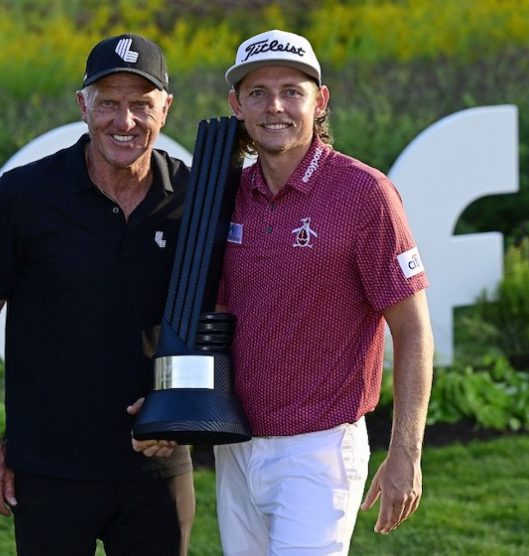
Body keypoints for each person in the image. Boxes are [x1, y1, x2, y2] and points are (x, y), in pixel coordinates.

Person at [0, 33, 194, 556]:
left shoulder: (196, 199)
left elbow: (219, 314)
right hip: (48, 468)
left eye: (141, 104)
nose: (124, 121)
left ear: (166, 109)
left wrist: (179, 405)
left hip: (157, 460)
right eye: (109, 102)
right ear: (83, 105)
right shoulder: (20, 198)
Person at [213, 29, 435, 555]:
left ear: (320, 100)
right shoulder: (227, 193)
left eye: (292, 90)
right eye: (258, 93)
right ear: (236, 105)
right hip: (234, 448)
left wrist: (406, 451)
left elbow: (413, 327)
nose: (275, 107)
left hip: (319, 451)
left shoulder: (364, 194)